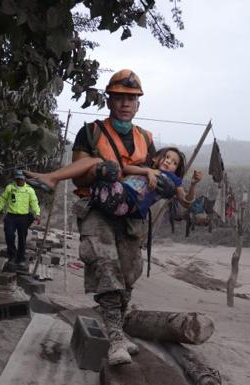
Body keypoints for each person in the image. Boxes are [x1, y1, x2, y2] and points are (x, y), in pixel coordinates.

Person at [40, 69, 199, 366]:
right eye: (120, 98)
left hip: (131, 215)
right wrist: (99, 170)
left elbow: (159, 176)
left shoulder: (145, 139)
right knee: (106, 268)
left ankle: (119, 330)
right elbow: (79, 177)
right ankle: (114, 339)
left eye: (132, 99)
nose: (126, 103)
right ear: (109, 100)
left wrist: (167, 185)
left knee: (128, 274)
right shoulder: (91, 132)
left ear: (138, 105)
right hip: (96, 208)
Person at [25, 146, 203, 219]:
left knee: (100, 167)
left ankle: (52, 178)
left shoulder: (173, 179)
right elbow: (126, 169)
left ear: (177, 168)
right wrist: (148, 171)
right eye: (167, 157)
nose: (169, 162)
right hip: (116, 191)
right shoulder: (147, 169)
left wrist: (193, 184)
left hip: (127, 203)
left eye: (174, 162)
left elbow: (186, 201)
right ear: (156, 158)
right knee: (98, 164)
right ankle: (53, 178)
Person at [0, 170, 40, 272]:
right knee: (9, 235)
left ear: (24, 180)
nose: (19, 181)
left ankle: (21, 258)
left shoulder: (29, 190)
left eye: (21, 179)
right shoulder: (10, 188)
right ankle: (12, 257)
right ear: (15, 179)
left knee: (22, 238)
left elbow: (34, 202)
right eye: (17, 179)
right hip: (11, 216)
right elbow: (3, 200)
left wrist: (37, 214)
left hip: (23, 217)